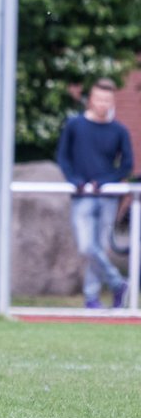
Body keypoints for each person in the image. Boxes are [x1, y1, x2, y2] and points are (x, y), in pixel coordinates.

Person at [55, 77, 134, 309]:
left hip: (107, 197)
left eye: (107, 100)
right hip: (82, 197)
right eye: (99, 99)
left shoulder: (118, 130)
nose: (102, 103)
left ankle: (91, 298)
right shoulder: (75, 125)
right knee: (86, 246)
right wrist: (75, 181)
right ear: (91, 100)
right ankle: (118, 282)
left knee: (99, 247)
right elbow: (63, 157)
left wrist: (105, 181)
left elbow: (127, 164)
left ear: (111, 102)